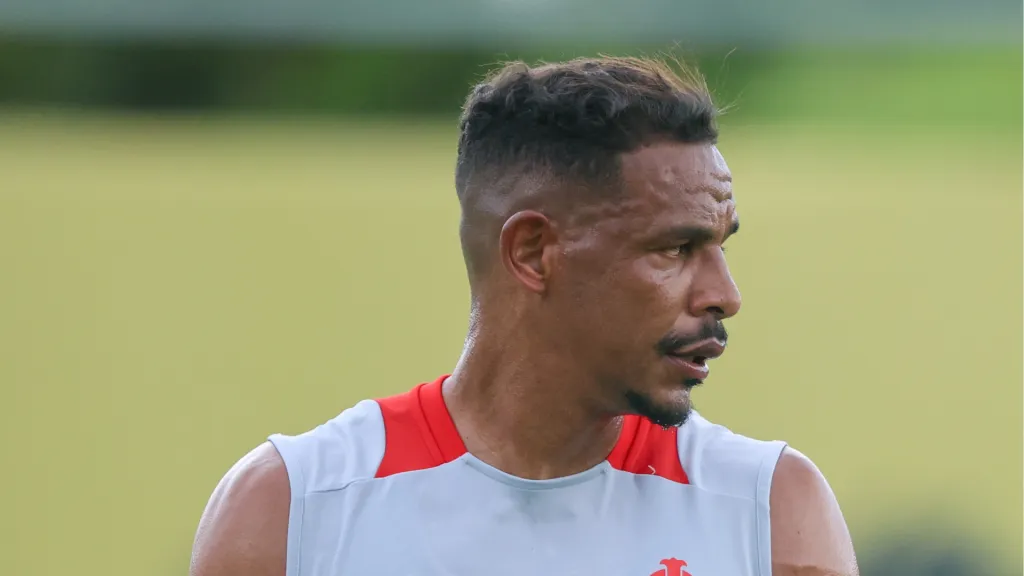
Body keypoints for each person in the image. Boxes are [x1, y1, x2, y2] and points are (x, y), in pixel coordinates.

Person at [189, 56, 858, 576]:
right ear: (534, 253)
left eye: (720, 245)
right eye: (676, 248)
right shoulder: (289, 509)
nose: (724, 294)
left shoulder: (772, 513)